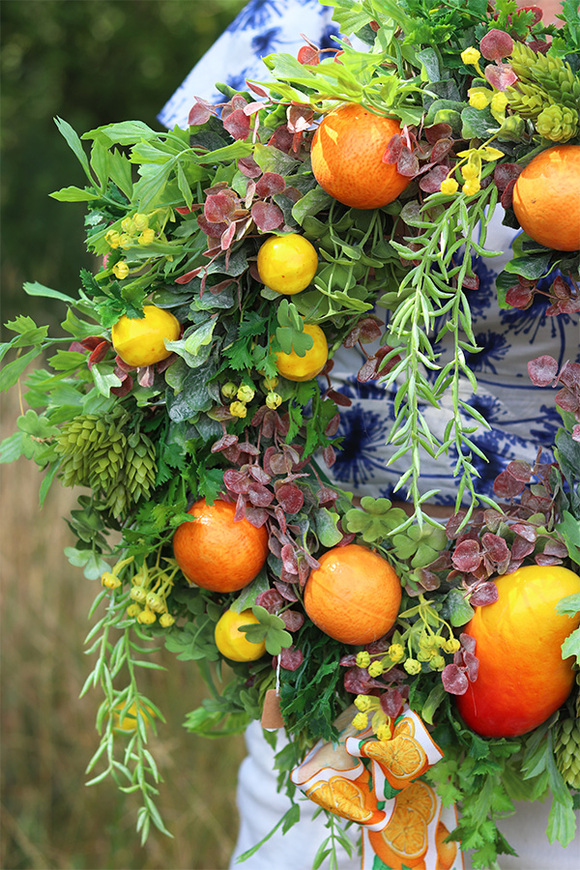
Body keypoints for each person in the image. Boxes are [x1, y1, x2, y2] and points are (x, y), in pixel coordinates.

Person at [159, 2, 579, 868]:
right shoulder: (312, 21)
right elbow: (172, 269)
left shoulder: (556, 64)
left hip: (553, 674)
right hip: (329, 663)